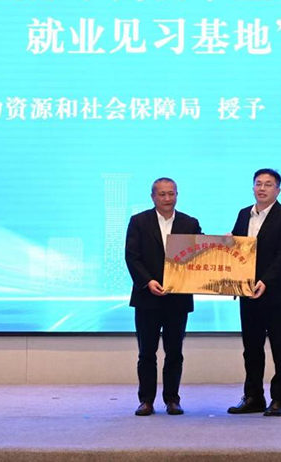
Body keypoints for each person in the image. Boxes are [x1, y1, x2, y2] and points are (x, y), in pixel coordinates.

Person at [125, 177, 202, 416]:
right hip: (147, 298)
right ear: (153, 197)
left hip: (177, 299)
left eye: (171, 193)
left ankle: (172, 400)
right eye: (162, 194)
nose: (167, 198)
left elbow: (202, 256)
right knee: (146, 353)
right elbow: (132, 256)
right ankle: (146, 401)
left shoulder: (190, 223)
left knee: (174, 352)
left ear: (177, 195)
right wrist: (148, 281)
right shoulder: (139, 221)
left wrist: (227, 243)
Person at [227, 168, 281, 417]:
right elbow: (237, 250)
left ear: (278, 190)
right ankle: (253, 397)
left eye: (268, 184)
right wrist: (226, 243)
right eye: (258, 183)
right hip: (247, 292)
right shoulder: (243, 214)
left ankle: (279, 399)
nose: (262, 188)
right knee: (251, 348)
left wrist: (265, 281)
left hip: (276, 293)